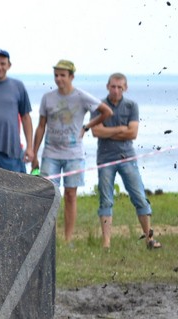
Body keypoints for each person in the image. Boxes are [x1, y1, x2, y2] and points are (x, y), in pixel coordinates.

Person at [31, 59, 111, 244]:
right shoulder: (48, 98)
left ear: (71, 77)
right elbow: (41, 126)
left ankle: (68, 239)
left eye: (63, 75)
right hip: (50, 153)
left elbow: (106, 112)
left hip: (74, 154)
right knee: (48, 195)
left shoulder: (81, 96)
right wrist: (34, 153)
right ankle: (47, 239)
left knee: (70, 195)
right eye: (56, 75)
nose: (59, 79)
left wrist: (87, 126)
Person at [91, 73, 160, 249]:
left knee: (139, 197)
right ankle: (106, 243)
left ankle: (149, 239)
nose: (116, 90)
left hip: (127, 158)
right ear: (107, 86)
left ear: (125, 88)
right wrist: (121, 129)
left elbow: (133, 133)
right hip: (106, 159)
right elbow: (96, 131)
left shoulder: (131, 106)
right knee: (106, 200)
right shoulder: (98, 106)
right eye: (113, 86)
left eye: (119, 87)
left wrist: (109, 132)